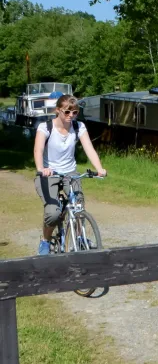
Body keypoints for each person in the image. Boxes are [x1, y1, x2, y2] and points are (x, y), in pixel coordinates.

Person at [33, 95, 107, 255]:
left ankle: (80, 237)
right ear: (58, 110)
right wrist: (41, 168)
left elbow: (89, 148)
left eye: (75, 112)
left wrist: (99, 168)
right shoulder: (45, 127)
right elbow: (38, 149)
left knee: (78, 205)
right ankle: (45, 240)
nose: (71, 116)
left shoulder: (79, 126)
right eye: (67, 112)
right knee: (53, 213)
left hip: (70, 172)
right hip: (49, 173)